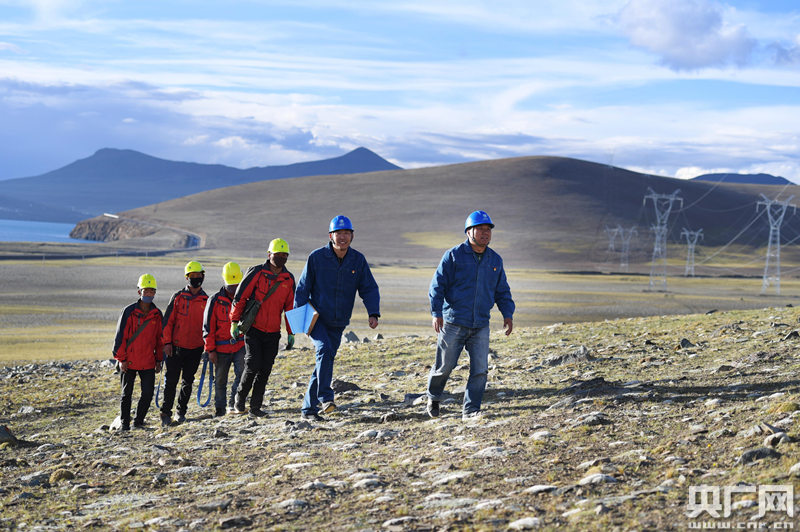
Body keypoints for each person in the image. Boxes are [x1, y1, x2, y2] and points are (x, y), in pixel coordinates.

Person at [426, 210, 515, 420]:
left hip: (481, 324)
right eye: (480, 229)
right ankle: (433, 396)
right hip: (453, 322)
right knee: (444, 367)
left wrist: (507, 314)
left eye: (488, 230)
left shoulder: (495, 259)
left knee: (480, 370)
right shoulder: (453, 256)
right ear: (468, 232)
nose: (485, 233)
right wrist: (436, 313)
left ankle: (471, 410)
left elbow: (502, 290)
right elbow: (437, 287)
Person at [294, 215, 380, 421]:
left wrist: (373, 312)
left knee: (323, 361)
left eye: (346, 233)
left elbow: (368, 288)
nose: (342, 237)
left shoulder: (357, 260)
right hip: (318, 319)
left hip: (339, 321)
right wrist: (299, 320)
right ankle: (326, 397)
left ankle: (308, 410)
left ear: (352, 236)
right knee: (323, 350)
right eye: (338, 233)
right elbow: (302, 288)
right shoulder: (316, 258)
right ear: (330, 235)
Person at [229, 239, 296, 417]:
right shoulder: (256, 272)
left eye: (284, 255)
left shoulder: (288, 279)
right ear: (269, 255)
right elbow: (240, 297)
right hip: (254, 329)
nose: (281, 258)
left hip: (273, 332)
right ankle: (240, 400)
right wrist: (234, 322)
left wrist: (291, 332)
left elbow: (290, 308)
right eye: (277, 255)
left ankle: (255, 408)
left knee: (265, 370)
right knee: (252, 365)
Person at [112, 274, 164, 431]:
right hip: (129, 361)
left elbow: (159, 340)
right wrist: (121, 359)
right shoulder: (128, 312)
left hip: (148, 361)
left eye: (151, 291)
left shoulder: (157, 314)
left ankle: (138, 421)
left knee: (147, 393)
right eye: (145, 291)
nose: (148, 294)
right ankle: (125, 424)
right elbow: (120, 337)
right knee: (126, 394)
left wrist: (159, 360)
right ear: (139, 292)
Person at [160, 260, 209, 426]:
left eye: (198, 275)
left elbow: (209, 326)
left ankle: (181, 411)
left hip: (195, 349)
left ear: (203, 276)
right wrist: (166, 343)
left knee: (188, 381)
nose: (195, 278)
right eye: (192, 276)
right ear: (186, 278)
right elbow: (167, 322)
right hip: (175, 349)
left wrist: (208, 347)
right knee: (171, 381)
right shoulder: (178, 297)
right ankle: (165, 413)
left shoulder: (206, 300)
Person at [203, 262, 246, 417]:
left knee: (242, 375)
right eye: (231, 286)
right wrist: (210, 350)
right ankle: (220, 410)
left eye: (237, 286)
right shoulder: (214, 300)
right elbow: (208, 328)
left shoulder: (244, 298)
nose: (234, 290)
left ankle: (233, 404)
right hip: (220, 349)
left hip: (240, 346)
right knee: (220, 381)